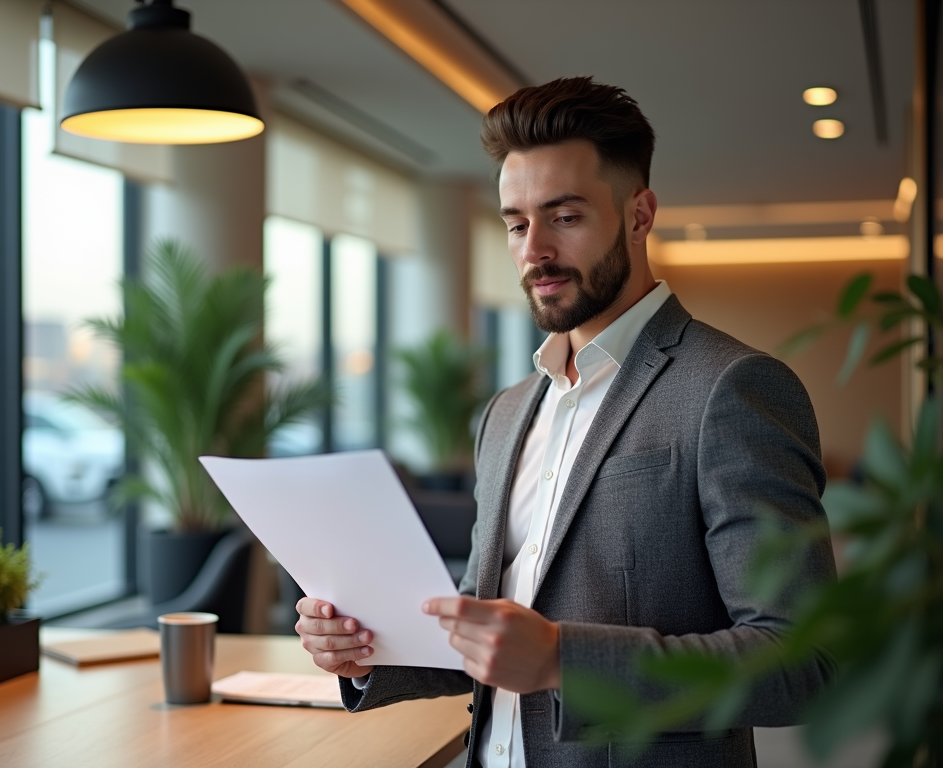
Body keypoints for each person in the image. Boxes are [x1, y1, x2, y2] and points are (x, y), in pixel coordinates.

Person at [295, 76, 836, 768]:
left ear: (639, 215)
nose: (533, 250)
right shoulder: (508, 411)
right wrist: (367, 652)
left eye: (566, 217)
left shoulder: (731, 388)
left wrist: (562, 659)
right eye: (517, 223)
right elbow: (489, 631)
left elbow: (801, 661)